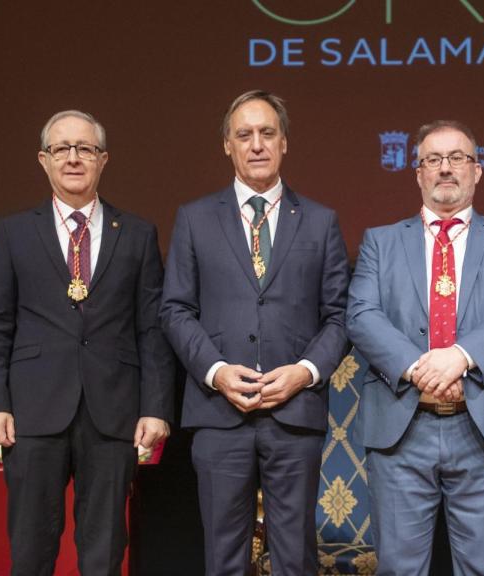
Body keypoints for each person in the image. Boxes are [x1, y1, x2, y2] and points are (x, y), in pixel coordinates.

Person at [0, 110, 175, 575]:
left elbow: (151, 328)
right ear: (43, 160)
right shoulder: (14, 232)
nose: (73, 158)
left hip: (113, 412)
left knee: (104, 551)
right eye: (61, 148)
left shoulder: (138, 234)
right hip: (32, 410)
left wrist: (156, 406)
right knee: (31, 548)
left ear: (103, 159)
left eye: (85, 148)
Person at [160, 90, 350, 575]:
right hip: (219, 413)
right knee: (223, 558)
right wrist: (217, 371)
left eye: (267, 133)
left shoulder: (321, 221)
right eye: (244, 135)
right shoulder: (195, 218)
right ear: (227, 145)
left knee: (295, 559)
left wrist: (305, 373)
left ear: (284, 142)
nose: (257, 144)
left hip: (294, 415)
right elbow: (176, 309)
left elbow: (340, 315)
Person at [346, 120, 484, 575]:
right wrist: (419, 368)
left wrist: (459, 358)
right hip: (402, 427)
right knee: (398, 569)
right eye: (433, 160)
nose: (445, 169)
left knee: (483, 568)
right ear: (417, 173)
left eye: (458, 158)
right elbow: (361, 315)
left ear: (478, 170)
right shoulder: (380, 241)